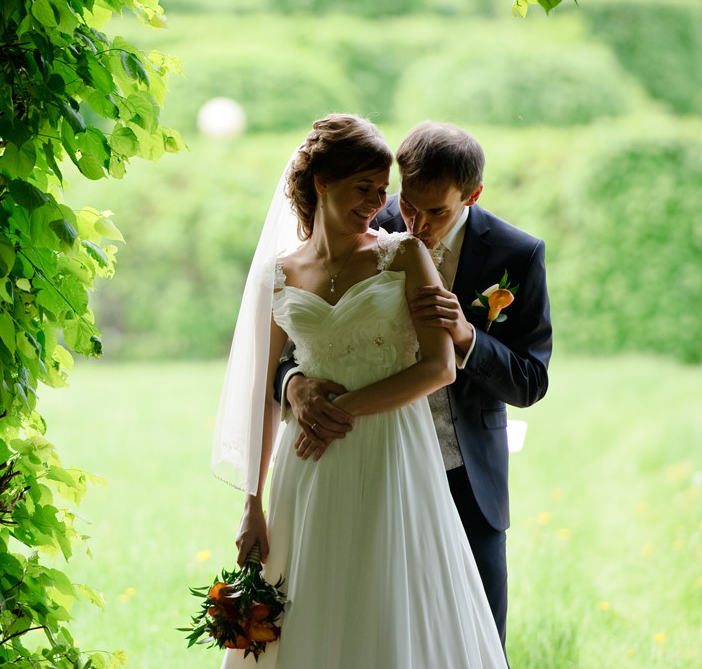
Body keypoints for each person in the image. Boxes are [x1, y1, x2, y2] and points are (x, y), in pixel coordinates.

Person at [212, 114, 507, 668]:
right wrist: (252, 504)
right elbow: (263, 387)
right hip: (308, 466)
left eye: (381, 190)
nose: (378, 202)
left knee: (385, 591)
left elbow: (440, 368)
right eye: (363, 188)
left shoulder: (404, 256)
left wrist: (339, 409)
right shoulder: (278, 274)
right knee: (312, 593)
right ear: (321, 182)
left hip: (393, 451)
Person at [276, 121, 553, 646]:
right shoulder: (362, 223)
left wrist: (468, 335)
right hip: (365, 464)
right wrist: (294, 385)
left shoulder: (516, 255)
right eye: (407, 204)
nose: (416, 222)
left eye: (437, 211)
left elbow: (530, 381)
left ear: (472, 195)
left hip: (464, 473)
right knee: (367, 629)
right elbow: (296, 328)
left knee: (474, 639)